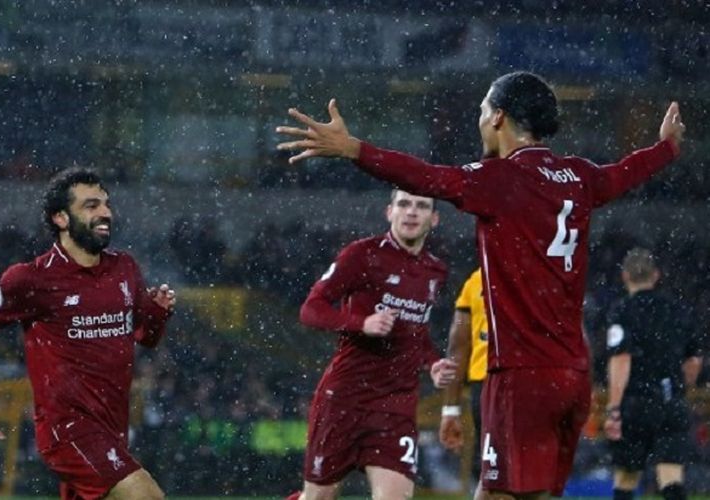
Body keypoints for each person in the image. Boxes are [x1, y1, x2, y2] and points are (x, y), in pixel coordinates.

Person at [276, 70, 685, 498]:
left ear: (498, 118)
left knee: (494, 493)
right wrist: (667, 148)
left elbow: (426, 176)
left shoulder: (501, 179)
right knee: (536, 494)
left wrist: (353, 149)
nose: (478, 119)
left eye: (482, 110)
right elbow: (624, 172)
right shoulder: (578, 176)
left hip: (522, 375)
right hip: (572, 374)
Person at [0, 168, 175, 500]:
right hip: (69, 431)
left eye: (106, 204)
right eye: (91, 205)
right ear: (61, 218)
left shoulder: (125, 269)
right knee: (146, 496)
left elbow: (144, 337)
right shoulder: (32, 279)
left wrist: (158, 316)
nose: (105, 212)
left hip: (112, 428)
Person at [288, 189, 457, 500]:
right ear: (389, 212)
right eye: (404, 204)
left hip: (397, 405)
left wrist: (433, 362)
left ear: (434, 219)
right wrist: (360, 324)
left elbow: (415, 331)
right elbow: (311, 309)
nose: (412, 212)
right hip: (345, 398)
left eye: (421, 206)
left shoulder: (436, 271)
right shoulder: (362, 255)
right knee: (318, 498)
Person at [604, 248, 702, 500]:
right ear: (656, 275)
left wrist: (614, 408)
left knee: (626, 476)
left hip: (635, 403)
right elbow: (694, 360)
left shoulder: (622, 310)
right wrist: (679, 389)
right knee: (671, 476)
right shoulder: (677, 309)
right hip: (670, 401)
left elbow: (621, 359)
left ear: (625, 276)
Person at [439, 267, 488, 486]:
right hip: (529, 382)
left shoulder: (477, 280)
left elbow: (457, 347)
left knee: (491, 472)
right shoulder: (541, 273)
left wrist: (451, 409)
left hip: (489, 385)